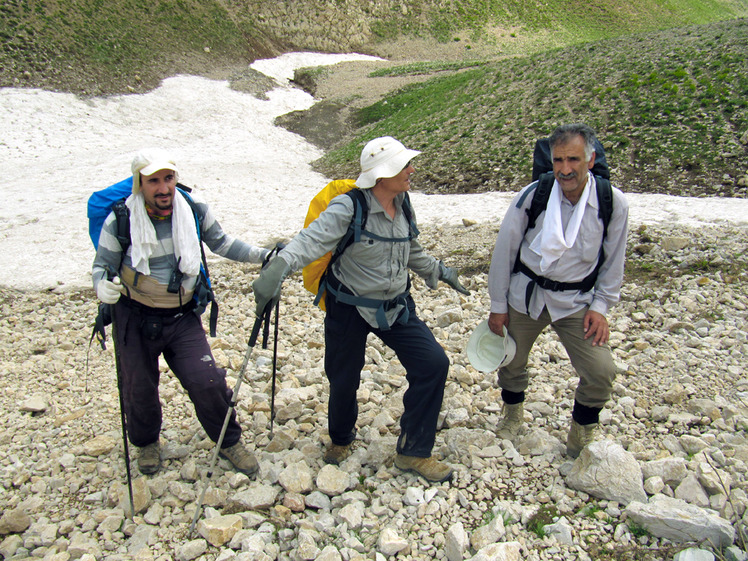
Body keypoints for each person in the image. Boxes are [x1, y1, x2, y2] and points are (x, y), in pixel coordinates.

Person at [252, 136, 469, 482]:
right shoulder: (348, 207)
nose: (412, 170)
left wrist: (439, 271)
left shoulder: (404, 203)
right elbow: (309, 241)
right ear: (382, 176)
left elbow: (410, 248)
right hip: (348, 307)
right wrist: (278, 268)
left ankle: (413, 452)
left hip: (396, 306)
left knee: (433, 364)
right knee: (343, 378)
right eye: (404, 166)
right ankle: (340, 439)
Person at [92, 148, 269, 476]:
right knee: (138, 387)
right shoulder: (121, 218)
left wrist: (263, 255)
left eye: (169, 178)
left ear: (176, 178)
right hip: (133, 315)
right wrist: (102, 285)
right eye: (153, 181)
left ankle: (228, 441)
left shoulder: (193, 209)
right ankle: (146, 443)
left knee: (207, 380)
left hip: (181, 315)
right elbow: (102, 265)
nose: (163, 188)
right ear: (139, 184)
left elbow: (222, 243)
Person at [486, 123, 629, 458]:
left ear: (590, 160)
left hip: (576, 301)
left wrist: (601, 308)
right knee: (511, 359)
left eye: (574, 160)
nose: (566, 169)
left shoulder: (612, 203)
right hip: (527, 294)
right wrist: (498, 304)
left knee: (601, 370)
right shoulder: (534, 194)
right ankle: (512, 412)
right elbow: (505, 249)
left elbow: (613, 262)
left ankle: (581, 432)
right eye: (559, 160)